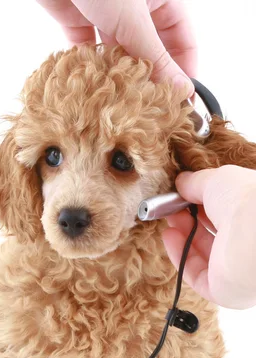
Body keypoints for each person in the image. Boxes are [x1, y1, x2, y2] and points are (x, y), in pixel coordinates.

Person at [37, 0, 256, 310]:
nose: (73, 204)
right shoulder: (19, 299)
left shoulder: (183, 283)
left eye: (121, 162)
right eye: (53, 157)